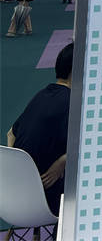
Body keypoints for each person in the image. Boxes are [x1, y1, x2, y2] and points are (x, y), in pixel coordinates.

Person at [7, 43, 73, 218]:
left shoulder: (42, 94)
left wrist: (17, 167)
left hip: (11, 194)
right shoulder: (72, 103)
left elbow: (10, 134)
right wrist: (65, 160)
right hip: (45, 199)